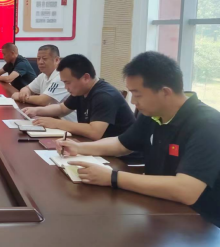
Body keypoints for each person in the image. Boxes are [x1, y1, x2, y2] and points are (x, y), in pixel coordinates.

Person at [57, 52, 220, 228]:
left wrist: (112, 177)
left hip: (200, 224)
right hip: (159, 209)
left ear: (165, 92)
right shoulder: (153, 114)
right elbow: (121, 144)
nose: (133, 101)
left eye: (138, 94)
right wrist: (79, 148)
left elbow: (187, 190)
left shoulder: (208, 124)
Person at [23, 54, 135, 140]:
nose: (66, 87)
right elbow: (62, 109)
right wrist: (37, 110)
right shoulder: (81, 90)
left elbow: (94, 132)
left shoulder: (104, 96)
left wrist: (56, 123)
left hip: (122, 159)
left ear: (85, 78)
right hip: (98, 147)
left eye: (68, 82)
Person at [11, 45, 77, 122]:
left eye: (44, 59)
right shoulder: (43, 75)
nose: (40, 62)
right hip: (52, 117)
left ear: (56, 60)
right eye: (38, 59)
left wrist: (20, 97)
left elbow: (43, 100)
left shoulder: (60, 77)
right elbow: (27, 88)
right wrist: (24, 91)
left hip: (65, 122)